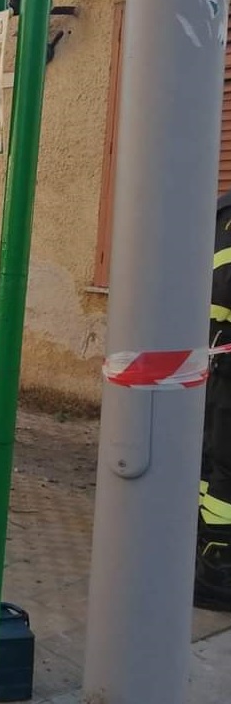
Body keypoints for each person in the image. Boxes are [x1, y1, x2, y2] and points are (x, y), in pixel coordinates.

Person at [198, 190, 231, 610]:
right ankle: (216, 567)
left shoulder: (219, 213)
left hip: (215, 362)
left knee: (212, 464)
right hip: (224, 368)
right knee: (224, 468)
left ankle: (207, 552)